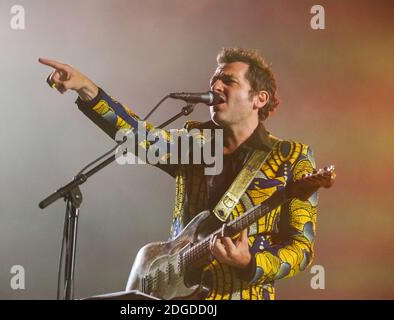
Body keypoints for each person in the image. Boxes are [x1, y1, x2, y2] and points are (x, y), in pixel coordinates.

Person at [39, 48, 318, 300]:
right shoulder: (194, 142)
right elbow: (140, 137)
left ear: (259, 98)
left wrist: (250, 263)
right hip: (176, 296)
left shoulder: (291, 157)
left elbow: (301, 248)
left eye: (229, 81)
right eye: (214, 81)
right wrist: (86, 89)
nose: (216, 86)